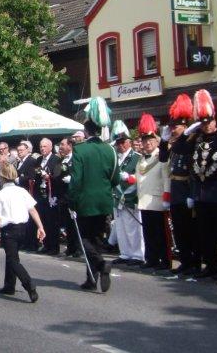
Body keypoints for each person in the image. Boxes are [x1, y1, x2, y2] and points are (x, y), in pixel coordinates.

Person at [68, 97, 118, 293]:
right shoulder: (110, 150)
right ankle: (91, 278)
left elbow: (76, 180)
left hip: (85, 201)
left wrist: (72, 200)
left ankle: (100, 264)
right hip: (104, 200)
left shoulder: (80, 150)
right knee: (96, 239)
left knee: (85, 240)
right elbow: (115, 178)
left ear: (86, 132)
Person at [187, 90, 217, 280]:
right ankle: (211, 264)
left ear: (216, 121)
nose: (207, 126)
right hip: (201, 192)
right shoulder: (196, 140)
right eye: (203, 123)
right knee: (205, 232)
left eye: (210, 122)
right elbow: (186, 158)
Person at [0, 162, 45, 303]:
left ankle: (29, 284)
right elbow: (32, 210)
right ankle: (9, 285)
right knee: (12, 256)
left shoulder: (0, 194)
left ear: (2, 178)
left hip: (9, 230)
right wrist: (40, 227)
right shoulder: (22, 191)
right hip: (24, 228)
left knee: (13, 260)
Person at [159, 94, 201, 276]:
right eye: (172, 127)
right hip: (176, 192)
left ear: (185, 126)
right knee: (180, 230)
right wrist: (163, 140)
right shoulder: (174, 144)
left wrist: (183, 136)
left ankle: (195, 261)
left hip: (187, 191)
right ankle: (185, 260)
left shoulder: (191, 141)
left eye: (176, 127)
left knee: (192, 230)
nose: (173, 130)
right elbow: (162, 158)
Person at [136, 114, 171, 272]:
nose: (147, 143)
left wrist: (167, 196)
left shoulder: (161, 155)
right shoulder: (142, 159)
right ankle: (152, 258)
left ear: (157, 141)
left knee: (160, 234)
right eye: (144, 141)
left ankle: (165, 260)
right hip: (144, 200)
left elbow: (166, 177)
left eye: (150, 140)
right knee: (148, 232)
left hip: (157, 200)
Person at [109, 123, 144, 266]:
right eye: (118, 143)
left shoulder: (137, 157)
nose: (120, 145)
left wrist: (130, 178)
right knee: (120, 227)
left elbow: (141, 176)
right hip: (117, 196)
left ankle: (137, 255)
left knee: (133, 228)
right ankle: (125, 253)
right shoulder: (115, 157)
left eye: (123, 142)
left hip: (130, 196)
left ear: (129, 142)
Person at [32, 137, 62, 255]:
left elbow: (57, 175)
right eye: (40, 146)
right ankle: (45, 244)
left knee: (52, 221)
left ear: (50, 147)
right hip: (41, 193)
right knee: (43, 220)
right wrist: (40, 174)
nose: (42, 149)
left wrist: (49, 177)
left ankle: (54, 246)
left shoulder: (56, 159)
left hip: (52, 194)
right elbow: (36, 171)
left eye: (44, 146)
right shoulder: (39, 159)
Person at [54, 137, 80, 257]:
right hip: (63, 196)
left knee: (75, 223)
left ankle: (78, 248)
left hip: (73, 195)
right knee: (68, 224)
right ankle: (71, 247)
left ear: (70, 146)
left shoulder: (76, 158)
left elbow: (80, 174)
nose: (61, 147)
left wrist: (72, 179)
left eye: (63, 144)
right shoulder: (62, 160)